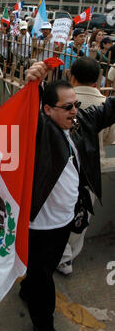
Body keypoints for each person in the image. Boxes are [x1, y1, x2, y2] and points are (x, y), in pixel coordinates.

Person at [19, 61, 115, 331]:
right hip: (38, 223)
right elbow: (24, 116)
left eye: (75, 105)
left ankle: (27, 288)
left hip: (65, 219)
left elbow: (108, 110)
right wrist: (31, 84)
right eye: (67, 107)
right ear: (48, 110)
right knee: (44, 276)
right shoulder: (39, 131)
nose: (75, 111)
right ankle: (44, 325)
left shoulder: (82, 122)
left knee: (40, 269)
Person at [57, 57, 115, 275]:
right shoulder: (103, 103)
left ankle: (61, 257)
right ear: (98, 79)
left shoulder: (62, 101)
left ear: (72, 76)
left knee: (61, 214)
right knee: (82, 215)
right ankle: (70, 255)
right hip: (92, 170)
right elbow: (109, 139)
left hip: (65, 169)